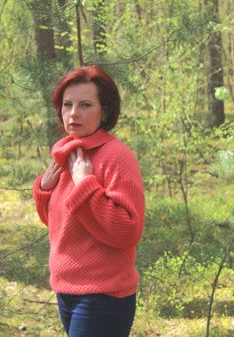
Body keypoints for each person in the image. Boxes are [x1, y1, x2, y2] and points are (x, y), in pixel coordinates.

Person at [33, 65, 145, 337]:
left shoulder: (117, 156)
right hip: (66, 291)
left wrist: (85, 184)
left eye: (85, 105)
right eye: (67, 104)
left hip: (103, 296)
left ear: (104, 110)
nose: (73, 113)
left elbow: (127, 231)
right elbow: (61, 224)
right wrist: (44, 191)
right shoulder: (69, 153)